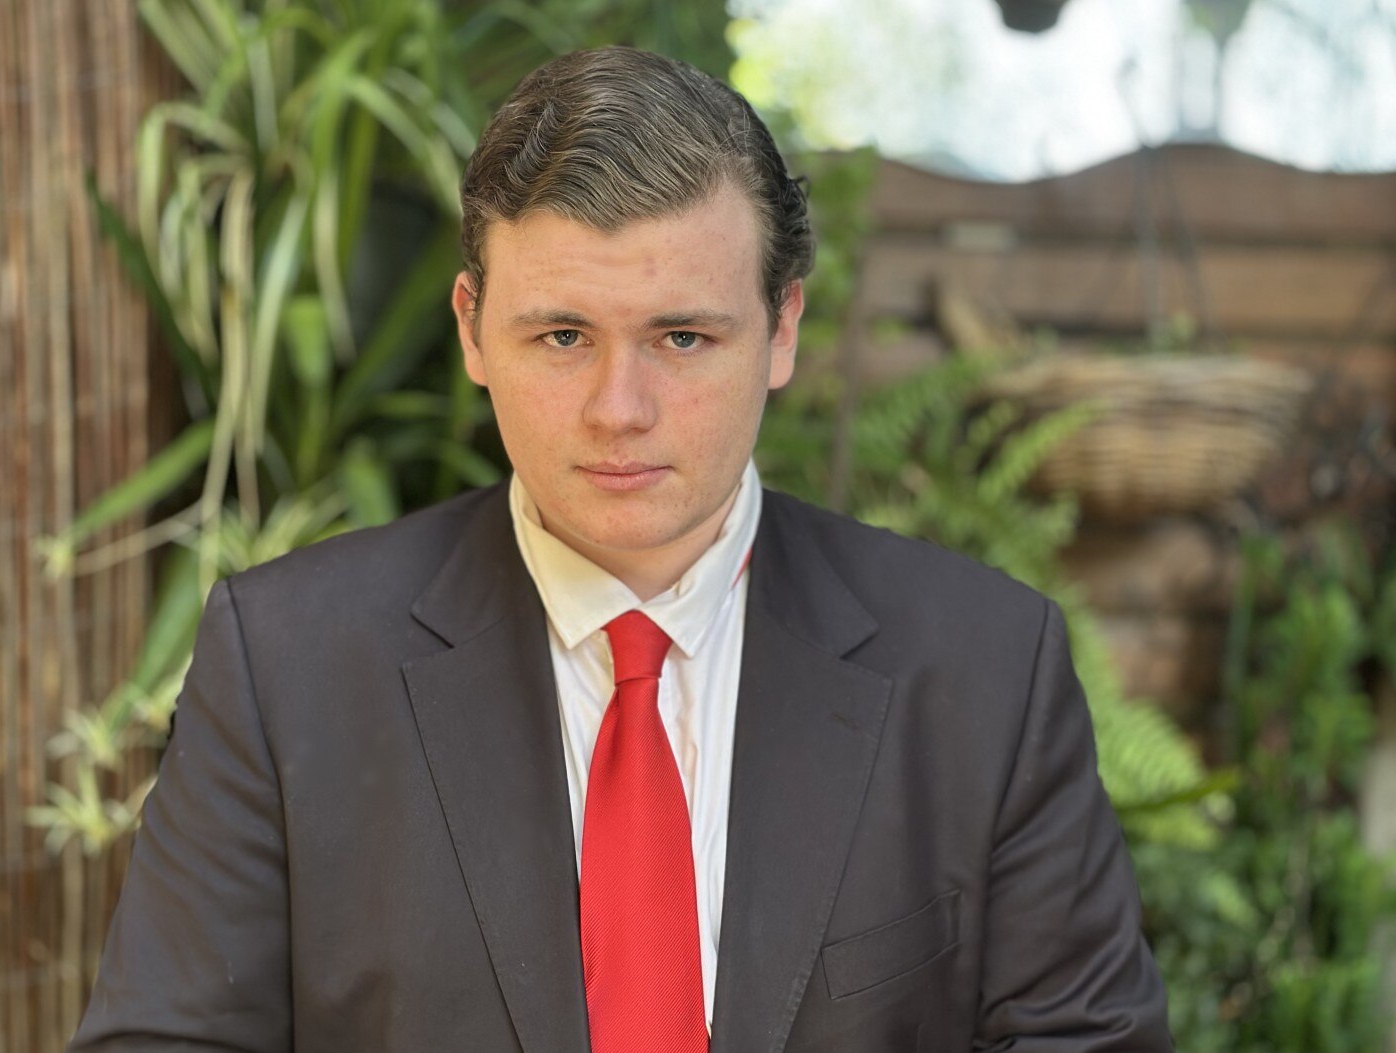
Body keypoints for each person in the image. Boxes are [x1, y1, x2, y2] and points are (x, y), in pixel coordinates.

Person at [68, 45, 1171, 1053]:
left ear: (781, 329)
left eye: (681, 337)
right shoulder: (285, 666)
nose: (618, 409)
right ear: (471, 328)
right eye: (562, 336)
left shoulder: (985, 669)